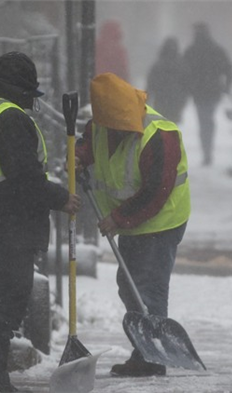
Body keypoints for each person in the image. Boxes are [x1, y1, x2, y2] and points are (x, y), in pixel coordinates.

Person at [0, 51, 81, 393]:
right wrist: (60, 197)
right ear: (19, 91)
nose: (30, 104)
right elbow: (25, 177)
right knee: (8, 299)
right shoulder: (10, 118)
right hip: (11, 222)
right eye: (28, 95)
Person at [74, 72, 191, 377]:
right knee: (129, 286)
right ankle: (145, 350)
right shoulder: (98, 128)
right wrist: (77, 158)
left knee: (148, 288)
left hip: (162, 221)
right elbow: (87, 148)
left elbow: (157, 192)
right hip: (131, 222)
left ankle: (152, 358)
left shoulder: (160, 135)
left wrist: (118, 218)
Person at [182, 22, 232, 166]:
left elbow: (184, 72)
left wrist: (187, 88)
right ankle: (207, 150)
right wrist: (227, 86)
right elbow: (228, 68)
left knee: (203, 119)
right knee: (208, 119)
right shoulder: (216, 49)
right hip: (213, 91)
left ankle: (206, 151)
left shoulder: (191, 51)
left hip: (199, 91)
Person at [146, 37, 189, 123]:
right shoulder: (181, 64)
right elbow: (186, 83)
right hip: (176, 101)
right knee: (172, 125)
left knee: (162, 126)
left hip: (161, 100)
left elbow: (151, 83)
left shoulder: (158, 64)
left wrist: (148, 98)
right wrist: (183, 98)